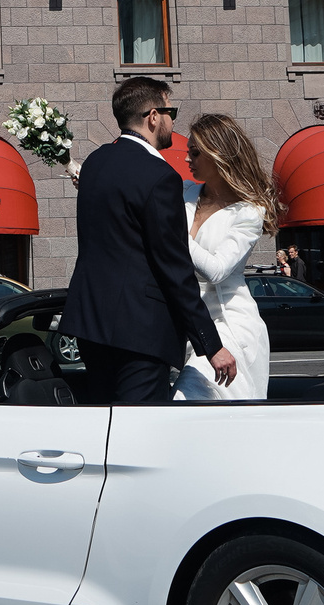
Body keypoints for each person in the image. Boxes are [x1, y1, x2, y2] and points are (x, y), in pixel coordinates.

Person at [67, 77, 232, 405]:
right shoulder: (159, 177)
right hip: (140, 331)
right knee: (137, 432)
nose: (173, 120)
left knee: (105, 425)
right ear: (153, 116)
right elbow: (173, 266)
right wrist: (211, 345)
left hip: (89, 324)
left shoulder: (96, 164)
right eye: (170, 111)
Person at [174, 114, 276, 403]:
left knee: (186, 398)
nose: (187, 159)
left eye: (195, 152)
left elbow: (216, 270)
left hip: (228, 324)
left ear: (218, 154)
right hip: (187, 324)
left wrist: (169, 235)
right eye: (187, 151)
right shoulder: (183, 191)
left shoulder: (249, 212)